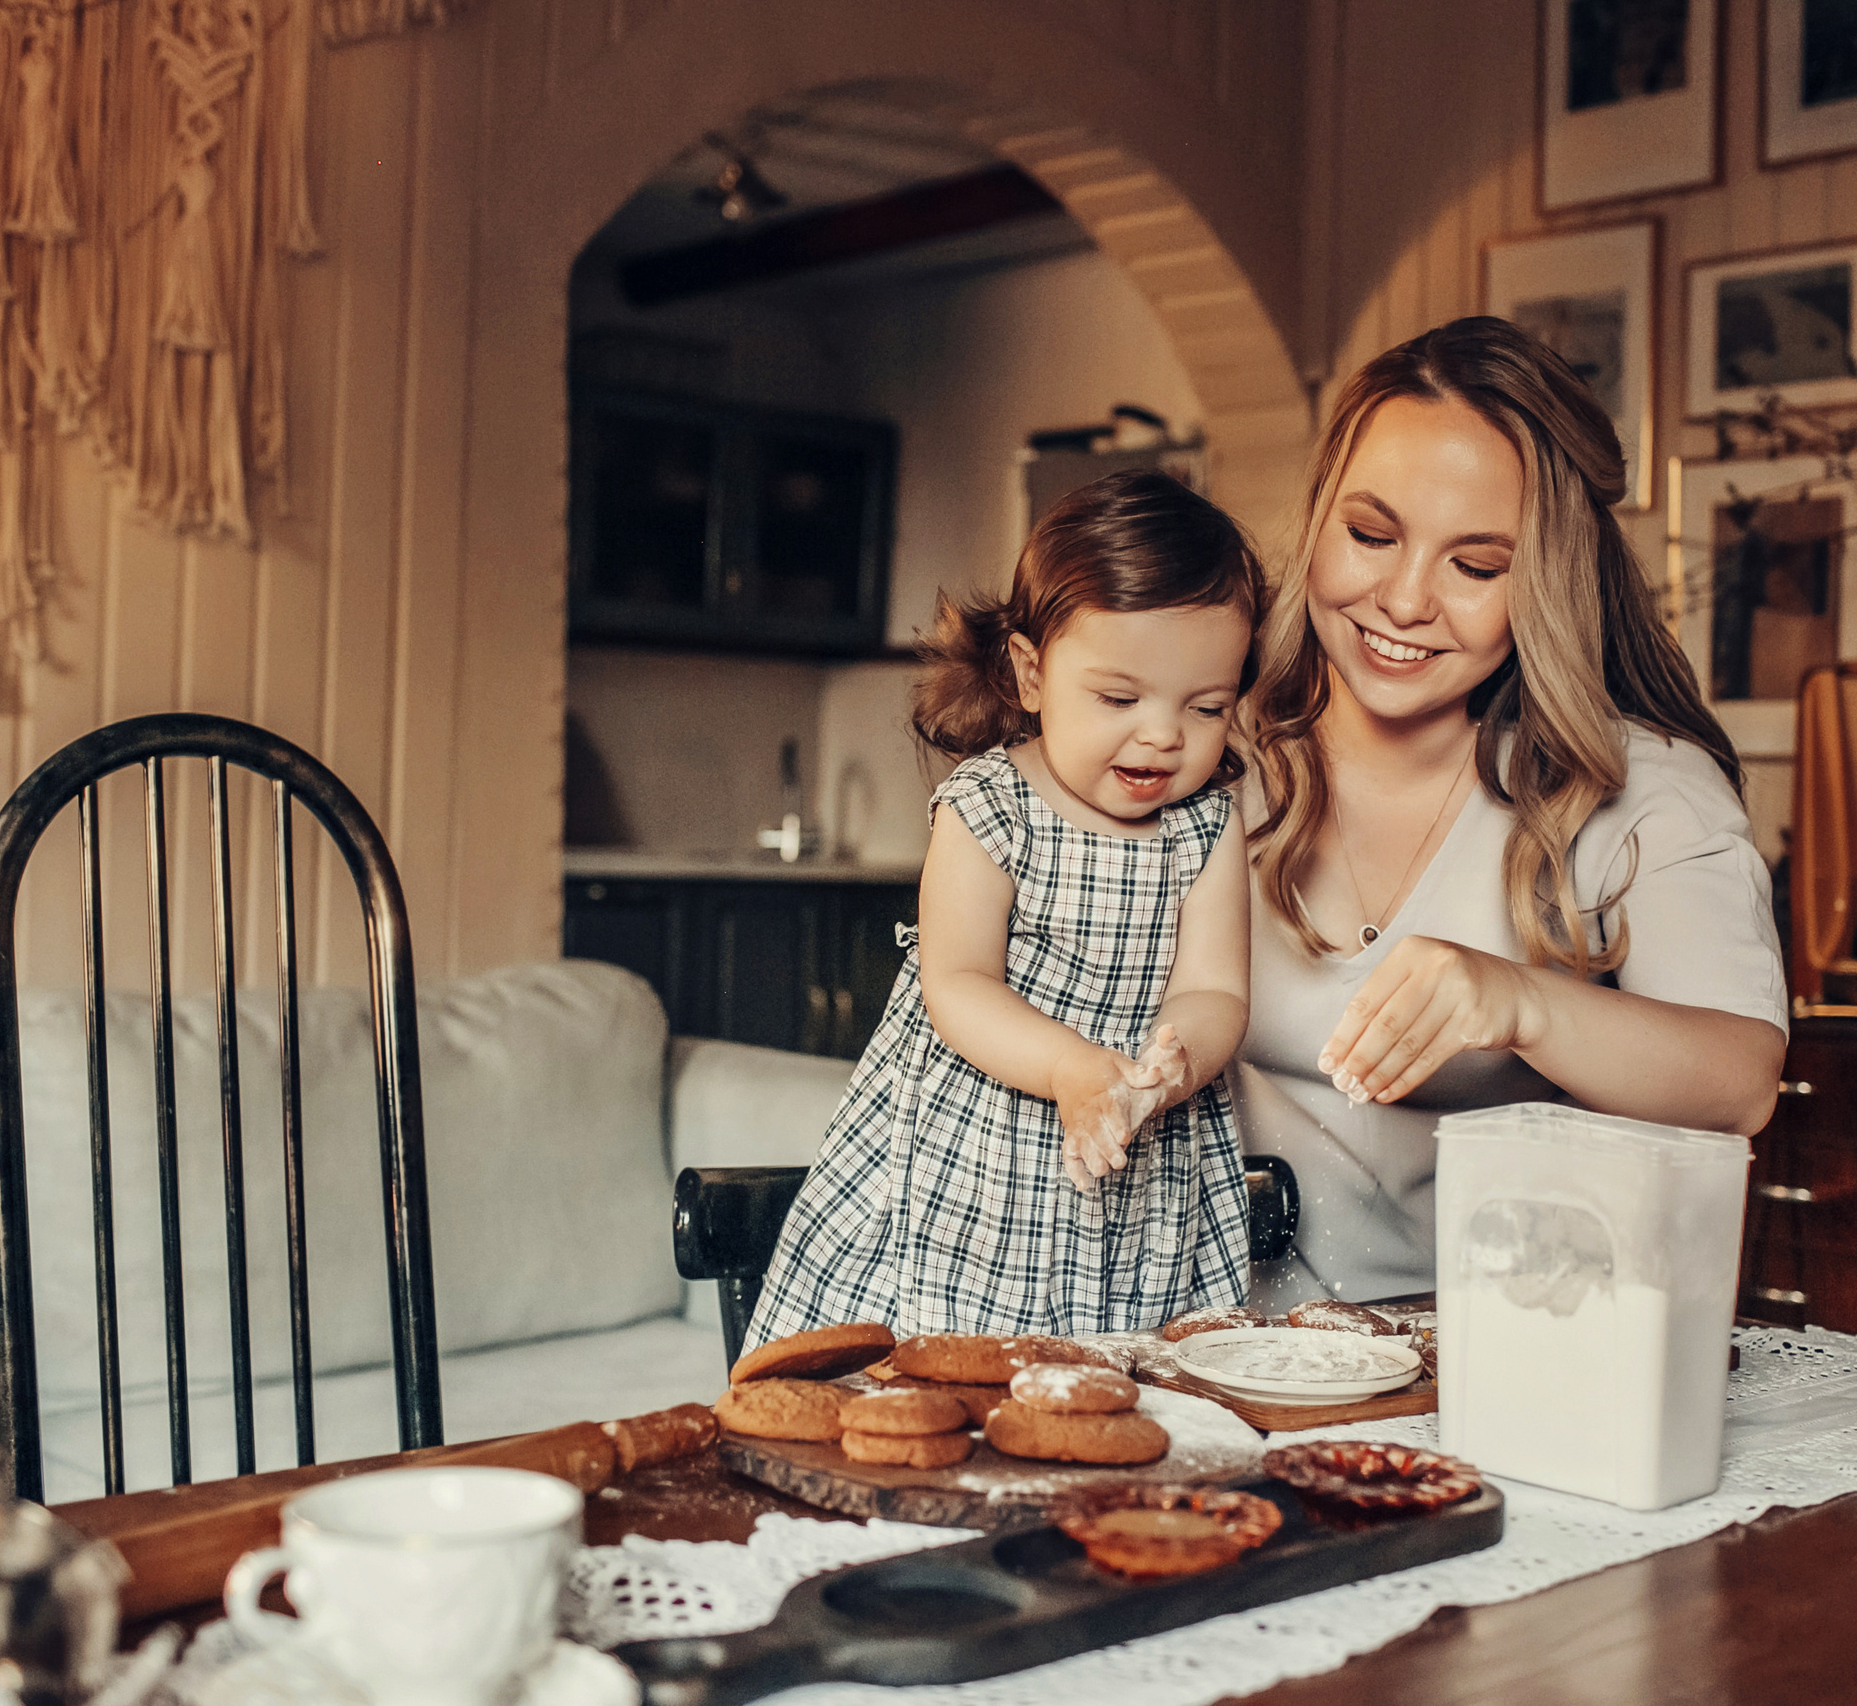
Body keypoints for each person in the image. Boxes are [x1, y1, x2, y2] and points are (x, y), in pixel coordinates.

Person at [1237, 316, 1788, 1306]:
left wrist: (1521, 1002)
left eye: (1475, 565)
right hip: (1193, 1353)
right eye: (1370, 535)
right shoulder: (1207, 750)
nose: (1403, 600)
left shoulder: (1635, 786)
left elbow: (1741, 1077)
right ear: (1318, 517)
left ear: (1543, 578)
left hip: (1484, 1362)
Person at [747, 469, 1264, 1344]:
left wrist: (1173, 1065)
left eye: (1207, 706)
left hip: (1140, 1161)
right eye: (1119, 697)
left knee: (1122, 1392)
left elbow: (1216, 990)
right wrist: (1070, 1069)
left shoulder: (1204, 827)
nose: (1164, 734)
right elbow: (958, 983)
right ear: (1031, 672)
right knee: (949, 1379)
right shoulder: (990, 806)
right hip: (979, 1165)